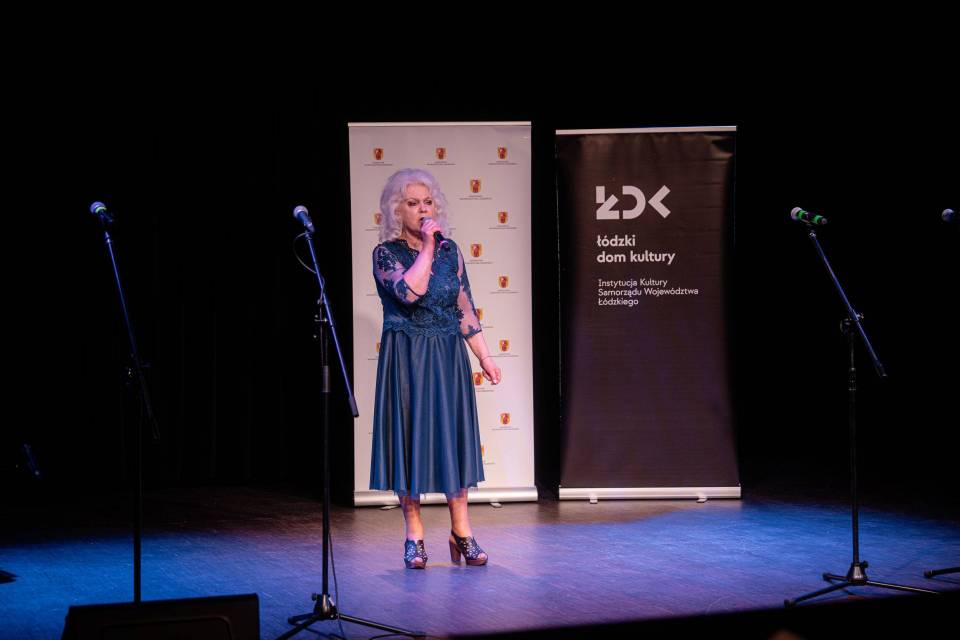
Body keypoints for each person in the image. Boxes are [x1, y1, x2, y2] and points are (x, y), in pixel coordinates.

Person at [369, 168, 501, 569]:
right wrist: (427, 245)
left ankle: (462, 532)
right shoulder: (385, 254)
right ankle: (414, 535)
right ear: (397, 211)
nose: (422, 210)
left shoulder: (451, 251)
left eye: (427, 202)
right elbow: (411, 292)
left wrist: (484, 356)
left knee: (452, 442)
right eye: (412, 203)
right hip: (407, 359)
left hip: (447, 357)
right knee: (410, 443)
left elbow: (465, 308)